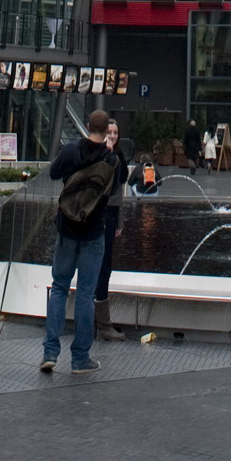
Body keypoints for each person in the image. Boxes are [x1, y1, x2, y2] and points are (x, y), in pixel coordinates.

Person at [40, 108, 121, 376]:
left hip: (66, 228)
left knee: (60, 287)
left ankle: (50, 352)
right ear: (105, 130)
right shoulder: (111, 161)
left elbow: (53, 174)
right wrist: (109, 152)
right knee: (86, 294)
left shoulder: (70, 150)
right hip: (93, 232)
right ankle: (80, 359)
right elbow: (114, 191)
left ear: (87, 126)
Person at [93, 118, 131, 346]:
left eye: (116, 132)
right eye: (109, 132)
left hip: (109, 214)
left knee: (105, 266)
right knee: (100, 265)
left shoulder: (118, 157)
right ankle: (101, 324)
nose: (113, 136)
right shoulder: (102, 155)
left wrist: (120, 220)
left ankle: (100, 323)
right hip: (100, 214)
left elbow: (120, 189)